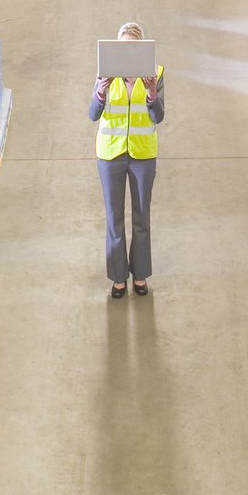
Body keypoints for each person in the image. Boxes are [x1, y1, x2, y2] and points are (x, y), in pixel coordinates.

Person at [91, 21, 163, 299]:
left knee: (141, 216)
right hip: (110, 155)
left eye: (133, 47)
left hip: (143, 156)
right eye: (122, 47)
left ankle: (140, 274)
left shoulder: (155, 74)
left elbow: (158, 116)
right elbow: (92, 114)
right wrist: (100, 91)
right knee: (114, 218)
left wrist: (151, 95)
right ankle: (118, 277)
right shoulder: (105, 73)